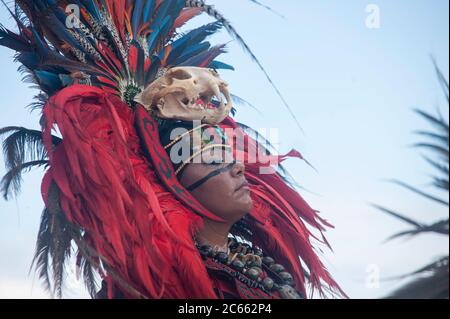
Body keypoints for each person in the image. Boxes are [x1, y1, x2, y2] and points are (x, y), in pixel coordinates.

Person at [0, 0, 345, 299]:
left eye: (230, 153)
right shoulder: (153, 285)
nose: (238, 168)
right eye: (210, 155)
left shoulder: (260, 268)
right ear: (170, 183)